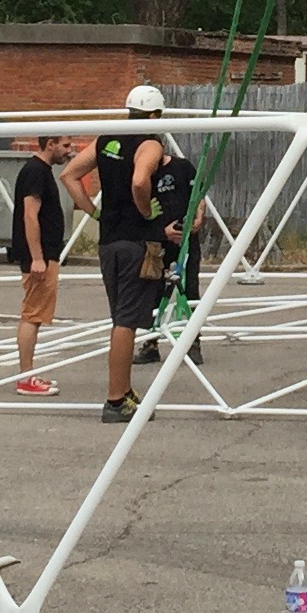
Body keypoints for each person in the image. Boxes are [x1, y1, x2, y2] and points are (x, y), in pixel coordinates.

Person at [91, 84, 174, 424]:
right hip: (134, 243)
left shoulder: (107, 139)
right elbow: (140, 181)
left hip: (108, 241)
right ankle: (115, 400)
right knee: (126, 323)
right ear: (155, 115)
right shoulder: (149, 143)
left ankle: (124, 391)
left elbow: (69, 174)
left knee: (121, 319)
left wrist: (93, 212)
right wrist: (146, 211)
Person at [8, 134, 78, 395]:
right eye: (66, 145)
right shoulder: (36, 172)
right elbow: (30, 215)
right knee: (32, 315)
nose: (69, 150)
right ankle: (25, 377)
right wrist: (37, 257)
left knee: (35, 315)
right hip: (40, 257)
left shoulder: (41, 170)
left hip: (46, 254)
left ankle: (28, 374)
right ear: (51, 144)